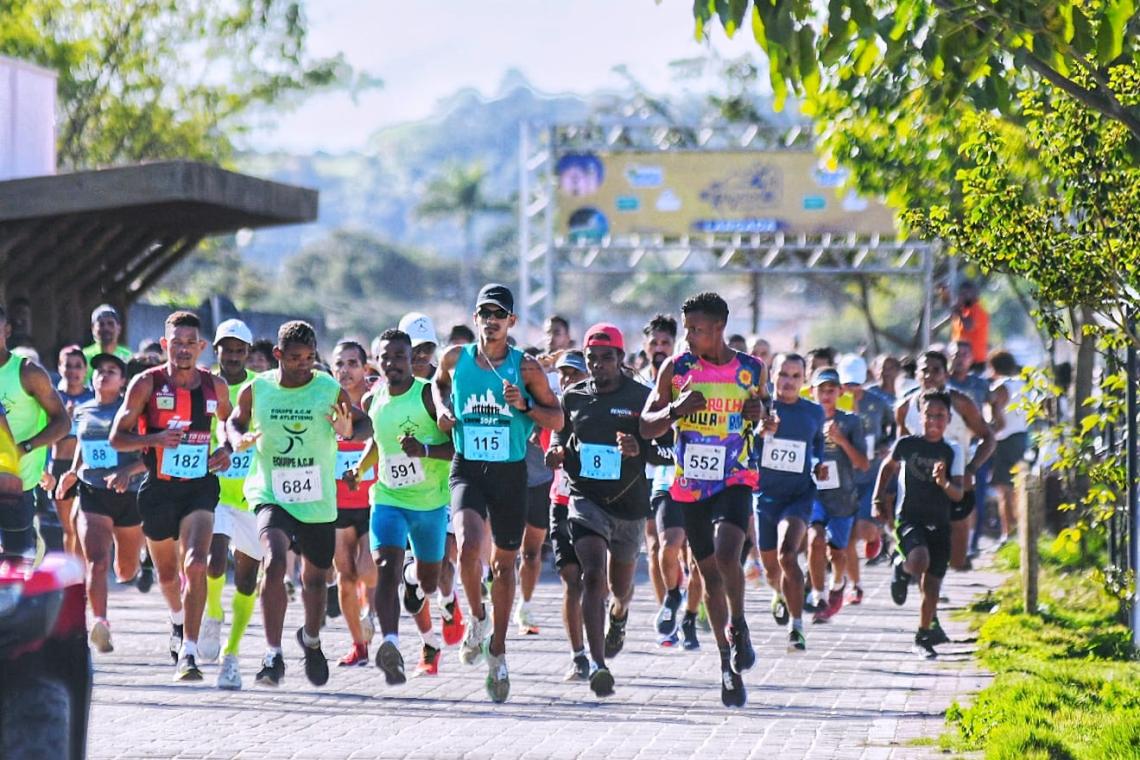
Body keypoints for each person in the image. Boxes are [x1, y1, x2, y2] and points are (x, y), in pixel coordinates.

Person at [432, 283, 562, 703]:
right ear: (475, 319)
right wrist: (444, 409)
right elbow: (436, 383)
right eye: (484, 313)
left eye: (499, 313)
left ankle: (499, 650)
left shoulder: (525, 369)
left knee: (503, 567)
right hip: (468, 466)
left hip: (510, 472)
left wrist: (524, 407)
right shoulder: (457, 357)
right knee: (469, 544)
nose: (491, 320)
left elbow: (557, 418)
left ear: (511, 322)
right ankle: (477, 617)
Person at [641, 292, 769, 708]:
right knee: (709, 577)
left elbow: (761, 413)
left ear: (719, 328)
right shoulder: (675, 369)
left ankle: (741, 625)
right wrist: (676, 409)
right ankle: (726, 667)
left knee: (728, 555)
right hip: (691, 485)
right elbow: (646, 425)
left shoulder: (751, 369)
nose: (689, 336)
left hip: (735, 477)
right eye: (687, 328)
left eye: (696, 329)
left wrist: (759, 414)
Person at [227, 320, 371, 688]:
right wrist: (239, 438)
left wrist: (348, 430)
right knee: (274, 561)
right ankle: (272, 654)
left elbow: (363, 423)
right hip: (270, 490)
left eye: (309, 358)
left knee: (316, 579)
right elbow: (234, 421)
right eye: (295, 358)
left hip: (316, 497)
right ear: (278, 356)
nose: (303, 365)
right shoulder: (257, 389)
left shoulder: (328, 388)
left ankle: (311, 638)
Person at [110, 311, 234, 681]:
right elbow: (118, 436)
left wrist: (226, 447)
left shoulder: (216, 386)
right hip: (159, 489)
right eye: (175, 343)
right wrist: (154, 440)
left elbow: (228, 424)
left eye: (189, 343)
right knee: (167, 573)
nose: (183, 350)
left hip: (199, 487)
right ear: (165, 345)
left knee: (196, 563)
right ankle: (178, 621)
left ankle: (189, 653)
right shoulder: (147, 384)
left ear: (201, 346)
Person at [547, 324, 664, 697]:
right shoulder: (573, 397)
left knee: (620, 587)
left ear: (621, 359)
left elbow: (667, 450)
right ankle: (596, 663)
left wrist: (639, 450)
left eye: (606, 358)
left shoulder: (643, 397)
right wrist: (557, 451)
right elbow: (559, 436)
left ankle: (619, 614)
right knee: (591, 576)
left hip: (629, 506)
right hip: (586, 499)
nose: (598, 366)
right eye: (592, 359)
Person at [345, 329, 454, 683]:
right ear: (378, 361)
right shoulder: (372, 401)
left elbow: (456, 448)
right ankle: (390, 643)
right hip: (389, 498)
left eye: (400, 357)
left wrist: (423, 450)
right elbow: (378, 442)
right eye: (386, 357)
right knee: (385, 566)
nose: (392, 364)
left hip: (430, 503)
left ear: (412, 360)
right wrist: (359, 470)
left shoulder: (428, 396)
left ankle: (414, 578)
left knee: (429, 580)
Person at [56, 353, 145, 654]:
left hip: (128, 494)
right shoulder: (82, 410)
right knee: (96, 559)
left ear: (123, 381)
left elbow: (152, 454)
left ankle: (132, 569)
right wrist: (72, 472)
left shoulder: (132, 410)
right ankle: (101, 623)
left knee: (126, 569)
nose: (103, 375)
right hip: (92, 491)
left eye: (111, 371)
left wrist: (127, 471)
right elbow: (84, 443)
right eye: (99, 371)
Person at [874, 390, 964, 658]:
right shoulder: (906, 444)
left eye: (940, 416)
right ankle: (901, 568)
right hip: (910, 517)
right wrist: (877, 498)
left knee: (932, 586)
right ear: (919, 416)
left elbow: (958, 493)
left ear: (948, 419)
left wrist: (943, 483)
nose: (934, 421)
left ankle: (923, 636)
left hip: (940, 521)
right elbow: (887, 468)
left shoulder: (952, 451)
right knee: (919, 559)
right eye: (929, 415)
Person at [200, 319, 262, 689]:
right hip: (215, 492)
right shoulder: (205, 384)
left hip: (252, 495)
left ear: (249, 353)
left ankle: (232, 655)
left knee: (247, 579)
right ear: (217, 350)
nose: (234, 356)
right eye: (228, 349)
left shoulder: (260, 389)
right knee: (213, 556)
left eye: (241, 350)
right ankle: (211, 612)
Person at [896, 351, 994, 582]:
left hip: (955, 479)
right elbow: (899, 450)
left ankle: (911, 570)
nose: (929, 375)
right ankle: (918, 583)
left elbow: (988, 438)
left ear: (946, 373)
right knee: (926, 550)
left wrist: (972, 468)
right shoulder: (904, 407)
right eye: (924, 370)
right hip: (918, 484)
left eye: (936, 370)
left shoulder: (961, 403)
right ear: (917, 374)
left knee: (958, 559)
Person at [638, 314, 704, 651]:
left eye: (667, 343)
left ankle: (689, 616)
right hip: (656, 475)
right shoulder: (640, 384)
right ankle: (668, 610)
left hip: (700, 478)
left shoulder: (707, 383)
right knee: (660, 546)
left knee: (697, 558)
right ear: (645, 346)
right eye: (655, 343)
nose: (660, 349)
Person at [753, 352, 825, 654]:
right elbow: (745, 445)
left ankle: (796, 627)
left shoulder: (814, 412)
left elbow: (818, 446)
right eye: (783, 374)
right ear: (772, 375)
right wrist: (761, 432)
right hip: (766, 496)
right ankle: (780, 593)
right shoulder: (761, 408)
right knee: (771, 570)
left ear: (804, 380)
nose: (789, 381)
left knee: (787, 555)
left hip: (798, 495)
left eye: (796, 376)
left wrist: (819, 463)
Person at [0, 305, 70, 560]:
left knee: (14, 561)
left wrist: (25, 447)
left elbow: (63, 423)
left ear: (6, 330)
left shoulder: (27, 372)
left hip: (17, 484)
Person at [330, 340, 380, 667]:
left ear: (365, 368)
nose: (346, 370)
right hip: (336, 501)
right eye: (340, 364)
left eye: (352, 363)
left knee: (366, 567)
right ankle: (358, 645)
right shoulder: (323, 401)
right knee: (345, 577)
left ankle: (371, 613)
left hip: (374, 498)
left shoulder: (376, 399)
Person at [805, 367, 868, 623]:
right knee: (814, 539)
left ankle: (838, 583)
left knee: (838, 552)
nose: (826, 394)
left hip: (842, 496)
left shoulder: (851, 421)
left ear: (840, 392)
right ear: (812, 392)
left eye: (832, 390)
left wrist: (841, 440)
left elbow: (863, 464)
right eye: (821, 389)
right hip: (812, 494)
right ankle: (818, 595)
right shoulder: (805, 418)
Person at [543, 350, 590, 679]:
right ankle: (578, 656)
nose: (566, 379)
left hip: (597, 504)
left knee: (601, 582)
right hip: (561, 502)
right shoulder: (554, 412)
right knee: (572, 580)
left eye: (573, 373)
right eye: (562, 374)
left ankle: (612, 618)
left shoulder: (600, 409)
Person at [838, 354, 894, 603]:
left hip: (870, 475)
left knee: (865, 530)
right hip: (843, 477)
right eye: (847, 384)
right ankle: (856, 585)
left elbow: (893, 430)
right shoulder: (833, 402)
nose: (852, 389)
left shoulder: (878, 403)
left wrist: (886, 446)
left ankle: (876, 536)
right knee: (847, 536)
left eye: (856, 384)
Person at [947, 340, 993, 556]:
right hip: (947, 447)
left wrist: (987, 430)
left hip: (974, 449)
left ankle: (969, 544)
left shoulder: (980, 385)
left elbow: (995, 412)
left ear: (972, 359)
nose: (960, 358)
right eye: (956, 354)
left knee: (973, 497)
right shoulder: (944, 384)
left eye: (965, 354)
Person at [52, 345, 95, 556]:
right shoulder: (53, 398)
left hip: (85, 467)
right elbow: (49, 436)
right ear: (60, 368)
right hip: (60, 465)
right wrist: (66, 421)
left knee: (82, 523)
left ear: (85, 369)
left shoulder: (94, 398)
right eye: (68, 366)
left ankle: (85, 573)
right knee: (69, 528)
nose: (73, 371)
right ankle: (72, 576)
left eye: (78, 366)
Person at [987, 350, 1028, 544]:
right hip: (1022, 436)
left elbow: (999, 420)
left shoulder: (1001, 387)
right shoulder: (1024, 384)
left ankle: (1007, 534)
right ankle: (1020, 531)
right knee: (1019, 487)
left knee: (1005, 490)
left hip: (1005, 439)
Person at [82, 305, 133, 381]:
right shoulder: (84, 357)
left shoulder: (128, 356)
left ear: (119, 328)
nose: (106, 328)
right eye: (101, 324)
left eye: (110, 323)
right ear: (93, 329)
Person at [949, 281, 989, 371]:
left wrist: (958, 312)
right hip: (959, 359)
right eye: (962, 293)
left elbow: (969, 326)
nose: (963, 296)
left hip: (974, 361)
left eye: (966, 293)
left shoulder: (977, 309)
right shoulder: (963, 310)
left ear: (975, 294)